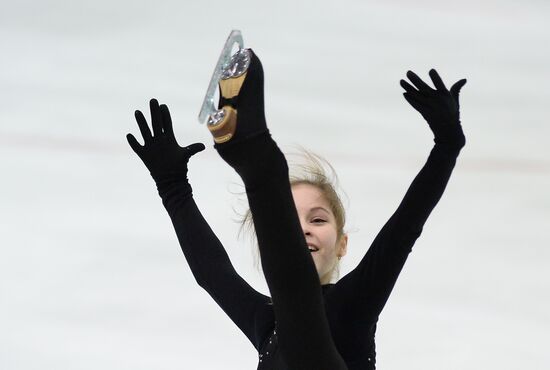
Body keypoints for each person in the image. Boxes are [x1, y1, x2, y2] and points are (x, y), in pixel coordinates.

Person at [127, 48, 466, 370]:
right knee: (294, 311)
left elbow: (403, 229)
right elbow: (212, 273)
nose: (302, 228)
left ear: (342, 244)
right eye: (290, 221)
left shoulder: (355, 303)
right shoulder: (267, 323)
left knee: (299, 313)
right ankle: (256, 156)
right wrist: (172, 187)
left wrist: (448, 145)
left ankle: (257, 157)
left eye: (317, 219)